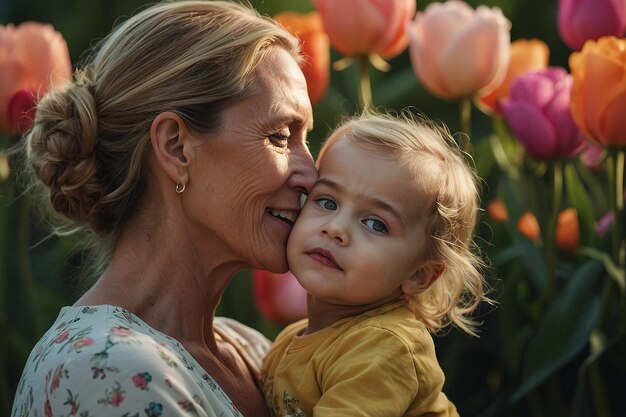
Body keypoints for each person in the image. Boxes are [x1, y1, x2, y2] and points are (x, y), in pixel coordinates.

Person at [11, 1, 317, 416]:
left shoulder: (255, 354)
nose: (311, 176)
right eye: (281, 136)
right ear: (176, 147)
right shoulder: (106, 370)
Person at [261, 111, 490, 417]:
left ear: (420, 275)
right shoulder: (294, 339)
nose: (336, 229)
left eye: (375, 224)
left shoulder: (386, 347)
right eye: (327, 202)